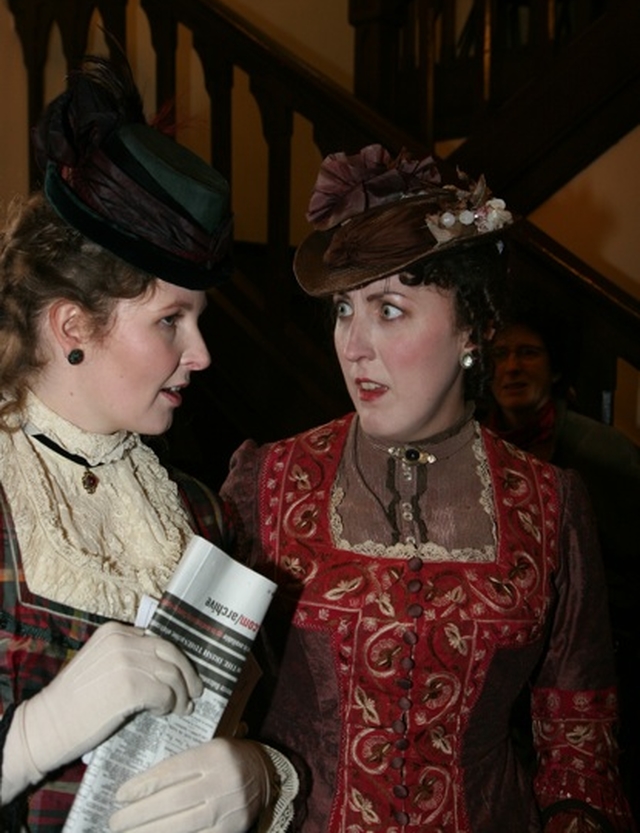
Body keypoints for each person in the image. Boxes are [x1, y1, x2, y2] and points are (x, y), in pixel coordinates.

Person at [220, 144, 636, 833]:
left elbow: (578, 745)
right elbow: (196, 698)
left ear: (473, 326)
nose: (353, 345)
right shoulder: (267, 480)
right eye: (343, 311)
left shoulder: (549, 503)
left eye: (388, 310)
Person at [0, 54, 296, 833]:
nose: (200, 353)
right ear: (73, 326)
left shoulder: (194, 514)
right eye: (171, 319)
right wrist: (28, 739)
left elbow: (266, 715)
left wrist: (262, 777)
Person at [484, 296, 640, 820]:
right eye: (501, 354)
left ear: (554, 369)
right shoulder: (478, 450)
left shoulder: (601, 453)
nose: (511, 367)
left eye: (528, 353)